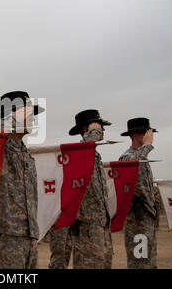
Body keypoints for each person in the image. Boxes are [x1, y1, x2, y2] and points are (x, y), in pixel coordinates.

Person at [0, 91, 44, 269]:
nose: (34, 119)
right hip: (5, 236)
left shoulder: (25, 152)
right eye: (30, 114)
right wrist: (9, 119)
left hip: (29, 235)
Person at [68, 109, 113, 269]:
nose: (103, 130)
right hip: (87, 224)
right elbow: (80, 152)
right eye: (99, 126)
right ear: (86, 130)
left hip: (101, 223)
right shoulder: (78, 153)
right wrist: (92, 134)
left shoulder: (94, 155)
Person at [119, 117, 159, 269]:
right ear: (135, 135)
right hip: (136, 220)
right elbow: (131, 163)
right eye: (145, 133)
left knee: (149, 260)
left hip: (146, 218)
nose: (149, 136)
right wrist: (147, 146)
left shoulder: (142, 158)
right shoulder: (127, 157)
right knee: (139, 262)